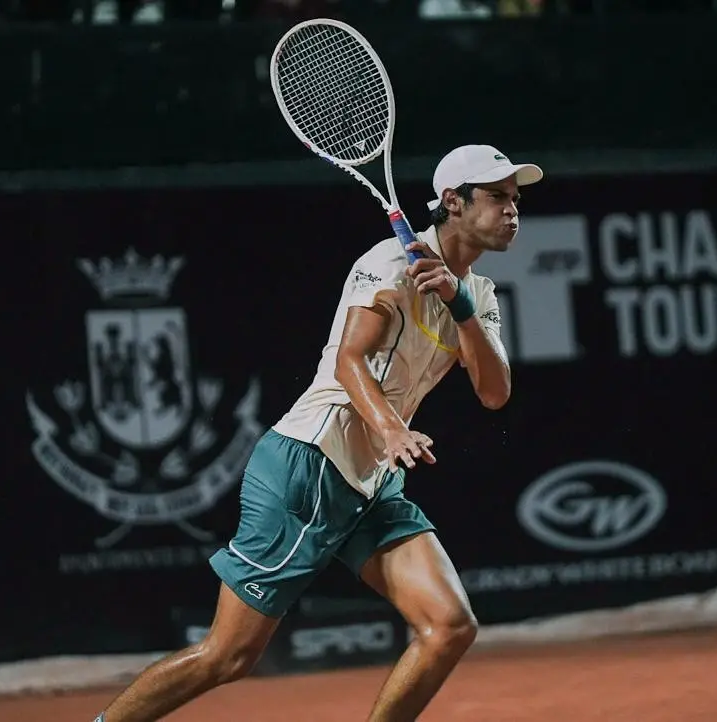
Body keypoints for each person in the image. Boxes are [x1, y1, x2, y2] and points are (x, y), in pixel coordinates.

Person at [92, 144, 543, 722]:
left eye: (516, 201)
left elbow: (494, 392)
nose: (512, 212)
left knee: (449, 626)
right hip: (309, 466)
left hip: (371, 481)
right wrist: (390, 431)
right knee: (227, 656)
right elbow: (349, 362)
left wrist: (458, 305)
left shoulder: (477, 293)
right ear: (453, 204)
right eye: (498, 198)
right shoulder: (386, 263)